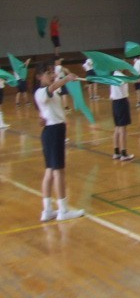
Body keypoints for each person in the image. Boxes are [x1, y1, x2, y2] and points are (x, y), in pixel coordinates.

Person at [35, 61, 85, 222]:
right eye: (47, 73)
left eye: (51, 72)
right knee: (58, 172)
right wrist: (67, 78)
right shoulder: (43, 91)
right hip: (53, 132)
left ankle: (47, 210)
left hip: (52, 132)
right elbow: (52, 88)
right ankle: (63, 210)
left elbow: (46, 109)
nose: (51, 75)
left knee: (50, 171)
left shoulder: (45, 93)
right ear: (39, 77)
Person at [110, 71, 134, 161]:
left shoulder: (112, 76)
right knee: (123, 129)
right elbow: (129, 80)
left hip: (115, 103)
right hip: (121, 102)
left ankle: (116, 152)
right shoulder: (120, 76)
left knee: (117, 127)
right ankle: (124, 153)